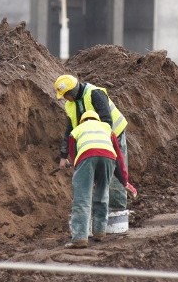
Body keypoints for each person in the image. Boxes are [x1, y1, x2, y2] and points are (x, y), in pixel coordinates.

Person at [54, 74, 130, 211]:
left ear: (72, 92)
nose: (65, 98)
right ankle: (102, 208)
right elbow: (70, 130)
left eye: (65, 95)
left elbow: (107, 120)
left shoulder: (95, 93)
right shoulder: (70, 105)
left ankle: (117, 208)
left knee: (115, 168)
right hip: (96, 139)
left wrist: (102, 144)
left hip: (114, 134)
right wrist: (63, 156)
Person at [63, 110, 136, 249]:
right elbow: (119, 157)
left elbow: (74, 156)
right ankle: (100, 232)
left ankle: (79, 238)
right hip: (109, 158)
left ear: (82, 121)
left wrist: (82, 173)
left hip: (86, 157)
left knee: (82, 198)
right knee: (102, 193)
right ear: (97, 119)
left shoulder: (76, 130)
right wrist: (124, 180)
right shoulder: (107, 128)